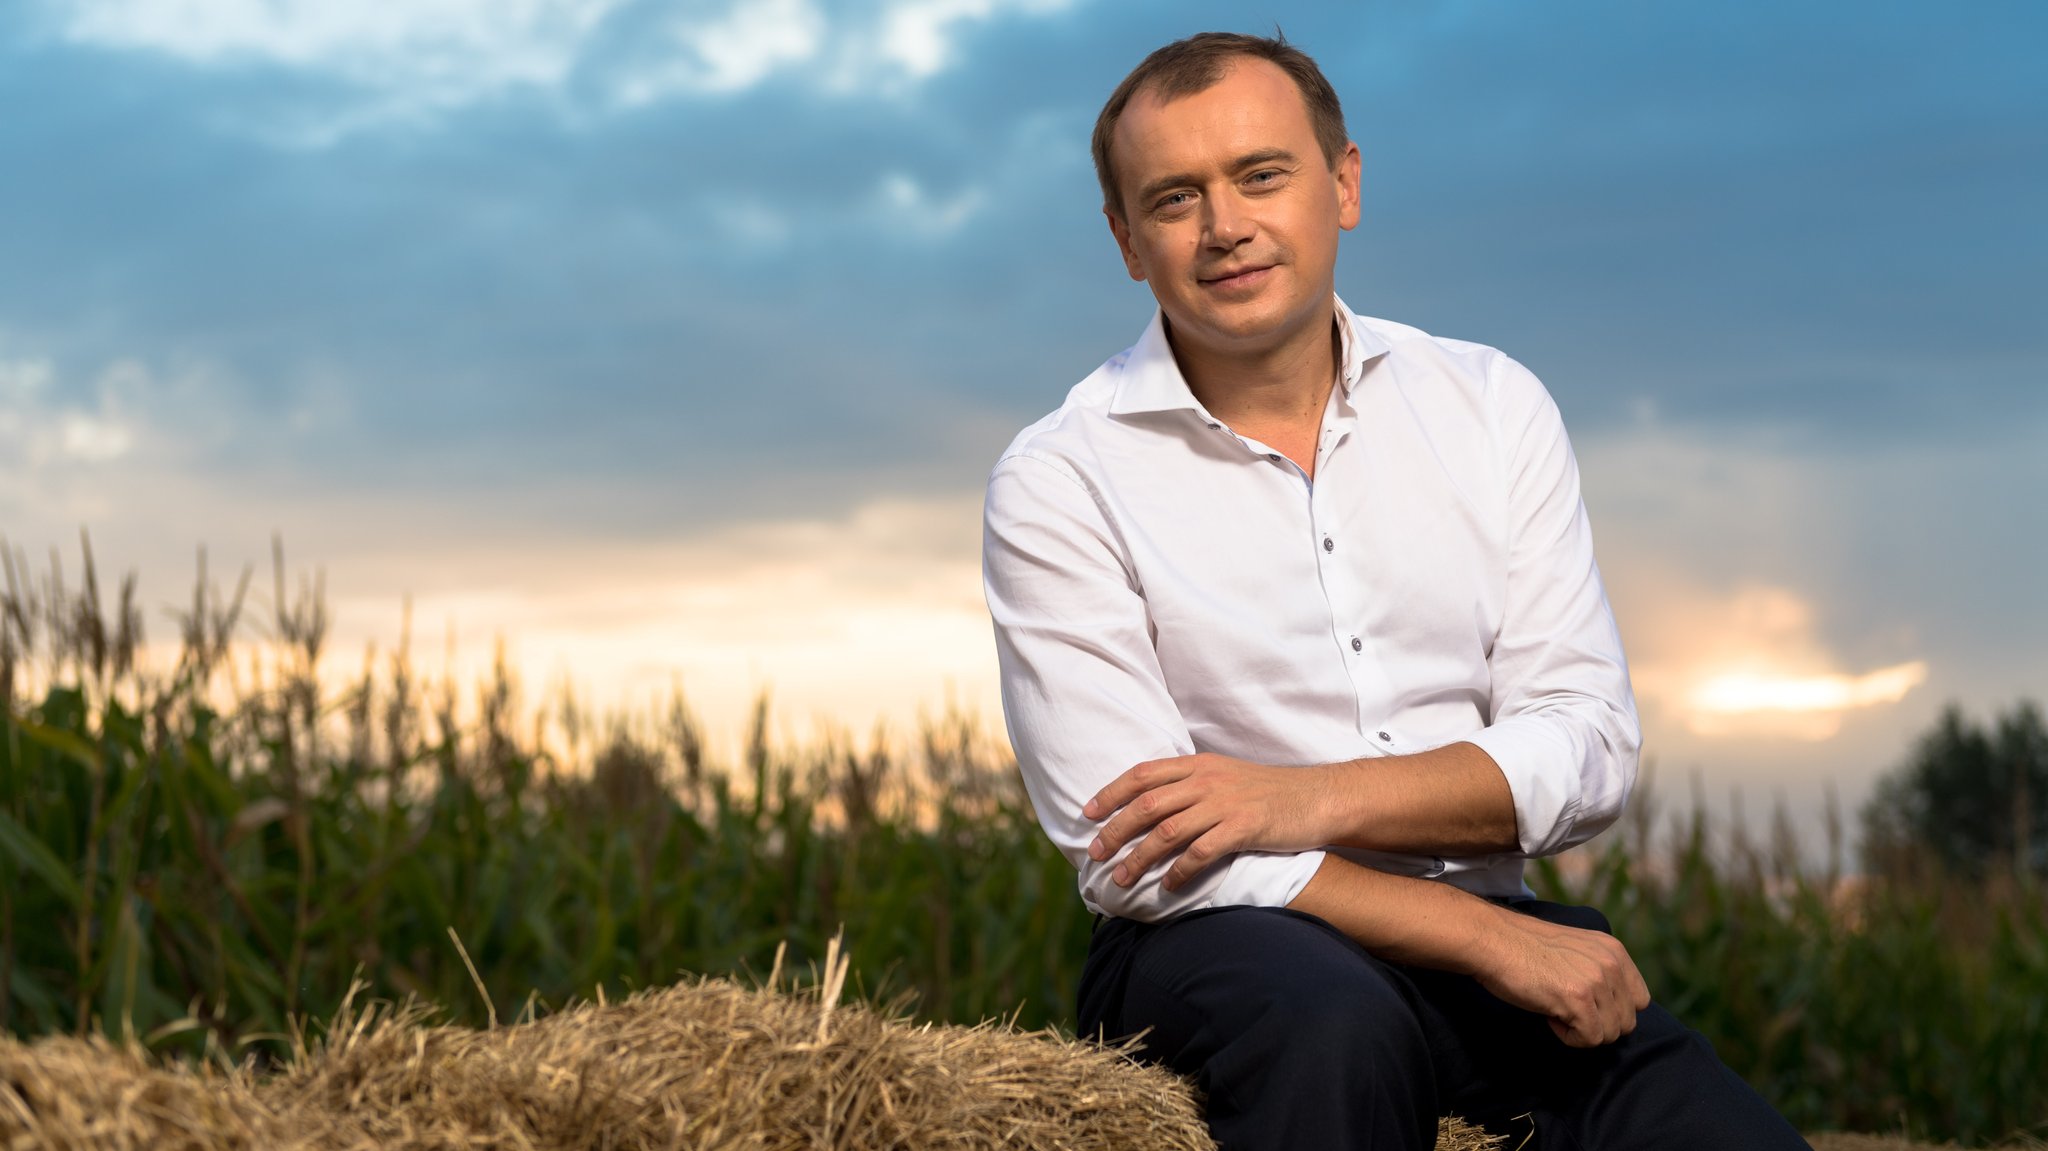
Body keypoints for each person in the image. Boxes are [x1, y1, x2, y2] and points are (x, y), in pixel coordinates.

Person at [980, 30, 1811, 1151]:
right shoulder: (1058, 476)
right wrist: (1479, 935)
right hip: (1221, 951)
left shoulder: (1489, 406)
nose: (1223, 226)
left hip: (1484, 933)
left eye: (1259, 175)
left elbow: (1584, 744)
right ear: (1126, 240)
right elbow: (1136, 849)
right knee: (1338, 1026)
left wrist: (1300, 796)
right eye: (1174, 199)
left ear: (1344, 184)